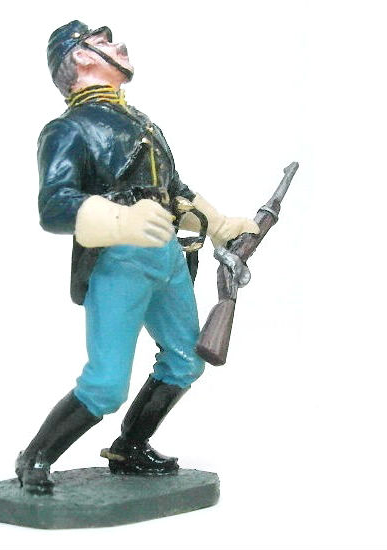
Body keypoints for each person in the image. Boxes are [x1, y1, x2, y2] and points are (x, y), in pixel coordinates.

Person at [15, 20, 259, 494]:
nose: (117, 45)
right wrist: (120, 220)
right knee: (105, 385)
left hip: (168, 258)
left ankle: (129, 446)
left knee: (186, 360)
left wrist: (221, 225)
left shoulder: (141, 122)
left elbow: (173, 191)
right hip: (118, 263)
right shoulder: (66, 130)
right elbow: (54, 207)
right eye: (102, 42)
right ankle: (35, 458)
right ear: (80, 57)